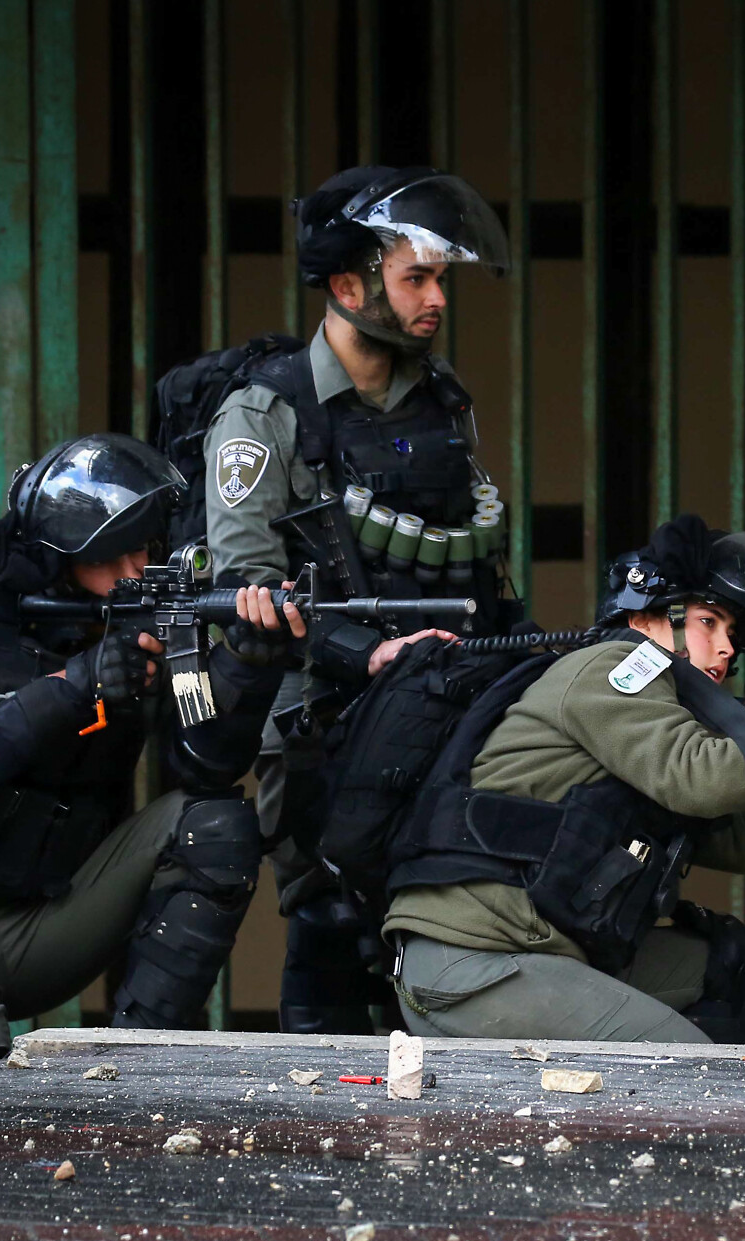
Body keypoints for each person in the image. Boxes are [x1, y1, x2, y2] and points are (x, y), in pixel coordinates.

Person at [0, 434, 306, 1063]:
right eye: (111, 559)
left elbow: (208, 767)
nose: (133, 574)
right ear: (60, 557)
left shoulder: (144, 611)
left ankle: (134, 1062)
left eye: (142, 550)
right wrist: (72, 689)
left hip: (50, 917)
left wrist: (251, 664)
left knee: (215, 825)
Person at [380, 515, 745, 1044]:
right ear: (644, 619)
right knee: (689, 1069)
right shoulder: (611, 670)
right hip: (471, 961)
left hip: (537, 948)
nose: (728, 647)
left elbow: (741, 847)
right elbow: (700, 779)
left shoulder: (661, 715)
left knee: (723, 966)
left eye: (733, 634)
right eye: (708, 622)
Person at [202, 165, 517, 1035]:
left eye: (440, 277)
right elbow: (244, 591)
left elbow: (477, 567)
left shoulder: (441, 399)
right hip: (319, 708)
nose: (437, 298)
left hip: (441, 694)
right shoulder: (266, 417)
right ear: (349, 285)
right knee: (334, 919)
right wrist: (360, 654)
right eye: (416, 277)